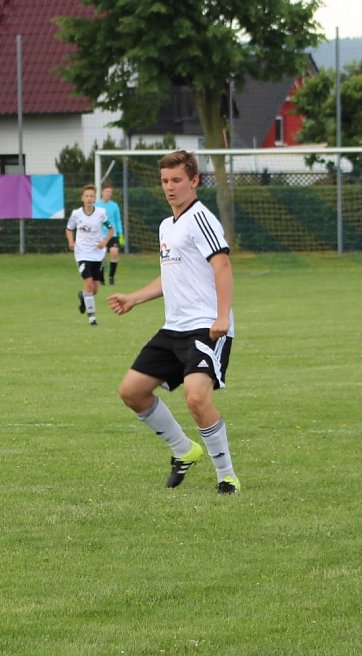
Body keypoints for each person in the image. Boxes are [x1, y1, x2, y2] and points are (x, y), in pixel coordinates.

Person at [107, 150, 240, 494]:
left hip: (206, 326)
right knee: (132, 391)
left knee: (196, 398)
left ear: (194, 181)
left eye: (177, 180)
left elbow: (222, 267)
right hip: (173, 327)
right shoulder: (167, 225)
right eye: (165, 181)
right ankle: (184, 450)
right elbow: (171, 276)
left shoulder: (202, 219)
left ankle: (226, 475)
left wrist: (223, 315)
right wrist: (134, 298)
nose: (170, 187)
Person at [65, 184, 114, 326]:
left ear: (95, 198)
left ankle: (83, 296)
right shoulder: (76, 214)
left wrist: (104, 242)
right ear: (82, 198)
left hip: (97, 254)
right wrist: (71, 241)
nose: (89, 198)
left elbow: (111, 229)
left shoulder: (101, 213)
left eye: (91, 196)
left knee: (95, 289)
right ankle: (92, 317)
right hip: (82, 254)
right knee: (88, 284)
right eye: (86, 196)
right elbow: (69, 229)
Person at [95, 183, 123, 285]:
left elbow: (118, 220)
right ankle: (101, 278)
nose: (109, 194)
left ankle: (111, 276)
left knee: (114, 252)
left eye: (110, 192)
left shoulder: (114, 205)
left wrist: (120, 234)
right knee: (101, 257)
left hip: (113, 234)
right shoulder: (96, 205)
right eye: (107, 191)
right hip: (100, 235)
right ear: (102, 192)